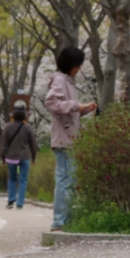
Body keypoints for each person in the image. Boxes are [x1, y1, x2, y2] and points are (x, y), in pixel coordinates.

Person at [45, 46, 97, 232]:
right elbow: (51, 102)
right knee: (65, 179)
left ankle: (66, 219)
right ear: (70, 64)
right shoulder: (60, 80)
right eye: (78, 65)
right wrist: (76, 105)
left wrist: (83, 110)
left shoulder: (67, 81)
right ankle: (60, 221)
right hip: (64, 139)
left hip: (68, 137)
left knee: (68, 179)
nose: (79, 69)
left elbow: (66, 112)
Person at [1, 103, 38, 209]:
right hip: (24, 157)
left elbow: (3, 144)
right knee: (23, 179)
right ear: (24, 115)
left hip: (11, 157)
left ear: (13, 115)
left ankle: (11, 200)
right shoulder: (28, 127)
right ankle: (20, 203)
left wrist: (2, 158)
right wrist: (34, 157)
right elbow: (33, 144)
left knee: (12, 178)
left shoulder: (7, 127)